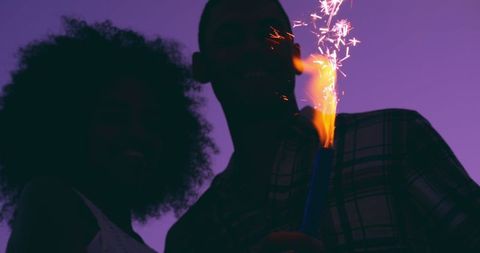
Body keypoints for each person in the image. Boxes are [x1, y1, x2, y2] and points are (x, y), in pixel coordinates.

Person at [164, 0, 480, 252]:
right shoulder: (193, 235)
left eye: (269, 34)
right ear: (201, 66)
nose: (252, 48)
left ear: (295, 55)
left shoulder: (393, 138)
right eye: (230, 39)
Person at [0, 18, 215, 253]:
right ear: (69, 127)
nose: (137, 133)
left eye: (152, 123)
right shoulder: (51, 202)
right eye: (114, 118)